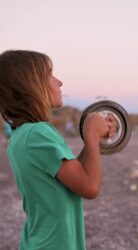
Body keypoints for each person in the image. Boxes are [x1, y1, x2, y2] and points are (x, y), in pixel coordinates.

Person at [0, 50, 116, 250]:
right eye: (49, 75)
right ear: (31, 87)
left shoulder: (21, 135)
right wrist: (90, 133)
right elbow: (89, 186)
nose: (59, 81)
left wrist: (95, 139)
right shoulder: (38, 133)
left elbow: (76, 175)